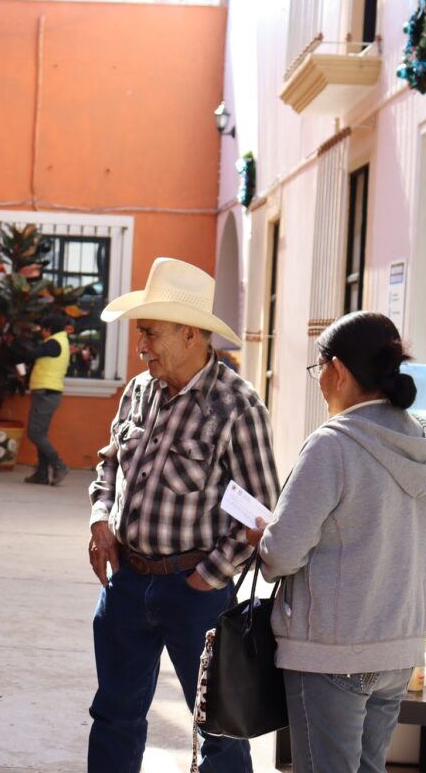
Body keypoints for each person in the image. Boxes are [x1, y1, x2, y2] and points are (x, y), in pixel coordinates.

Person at [87, 257, 280, 773]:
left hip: (196, 592)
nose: (141, 344)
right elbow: (109, 464)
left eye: (150, 332)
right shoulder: (138, 392)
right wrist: (101, 520)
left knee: (218, 727)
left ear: (191, 333)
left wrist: (207, 576)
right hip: (126, 583)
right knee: (114, 715)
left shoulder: (236, 406)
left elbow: (262, 510)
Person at [249, 312, 426, 773]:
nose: (319, 384)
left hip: (332, 651)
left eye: (319, 371)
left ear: (337, 369)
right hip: (398, 648)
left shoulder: (332, 445)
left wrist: (265, 535)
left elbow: (282, 554)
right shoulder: (420, 442)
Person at [21, 313, 72, 485]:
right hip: (49, 393)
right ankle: (42, 474)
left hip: (46, 393)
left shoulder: (53, 343)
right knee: (40, 433)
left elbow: (31, 355)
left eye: (42, 330)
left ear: (48, 329)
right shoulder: (62, 341)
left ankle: (59, 465)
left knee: (34, 434)